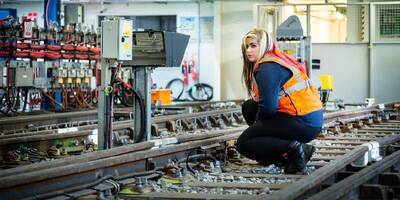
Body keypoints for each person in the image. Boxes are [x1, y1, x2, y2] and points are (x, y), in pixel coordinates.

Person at [235, 28, 323, 174]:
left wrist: (257, 128)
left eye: (253, 46)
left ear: (264, 45)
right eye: (246, 47)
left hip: (303, 122)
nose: (248, 51)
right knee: (249, 107)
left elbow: (268, 107)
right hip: (307, 119)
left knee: (244, 143)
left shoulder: (267, 68)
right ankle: (275, 153)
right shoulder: (274, 60)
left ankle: (296, 150)